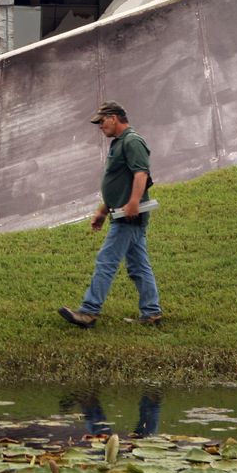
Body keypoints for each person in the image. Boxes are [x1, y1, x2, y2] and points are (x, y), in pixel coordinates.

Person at [59, 101, 162, 328]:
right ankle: (152, 312)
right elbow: (119, 182)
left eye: (102, 121)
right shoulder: (120, 143)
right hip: (121, 213)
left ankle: (89, 311)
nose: (100, 126)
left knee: (106, 261)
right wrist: (103, 211)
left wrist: (133, 202)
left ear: (114, 118)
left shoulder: (132, 141)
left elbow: (141, 174)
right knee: (138, 266)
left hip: (128, 216)